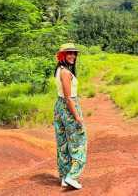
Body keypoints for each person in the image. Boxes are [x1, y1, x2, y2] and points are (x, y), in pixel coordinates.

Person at [53, 42, 87, 190]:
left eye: (74, 53)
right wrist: (77, 117)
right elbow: (68, 98)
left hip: (59, 107)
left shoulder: (59, 70)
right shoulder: (66, 72)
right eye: (69, 53)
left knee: (63, 143)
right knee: (80, 141)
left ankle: (64, 176)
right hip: (68, 107)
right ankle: (72, 176)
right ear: (62, 55)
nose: (72, 56)